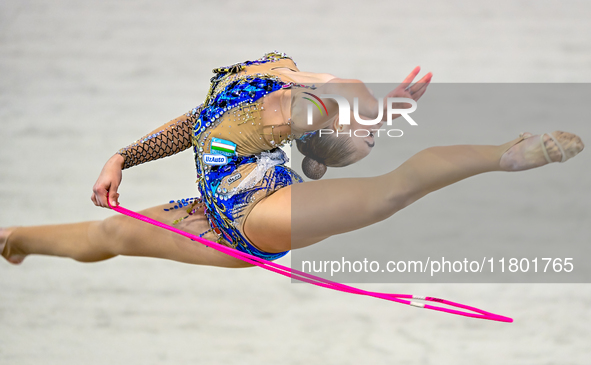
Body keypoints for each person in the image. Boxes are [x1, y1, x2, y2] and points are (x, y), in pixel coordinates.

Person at [0, 52, 585, 268]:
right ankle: (17, 239)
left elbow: (348, 93)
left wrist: (376, 113)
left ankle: (504, 155)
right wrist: (120, 157)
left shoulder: (291, 107)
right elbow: (193, 126)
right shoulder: (264, 85)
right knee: (110, 235)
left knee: (390, 192)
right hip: (212, 214)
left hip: (254, 214)